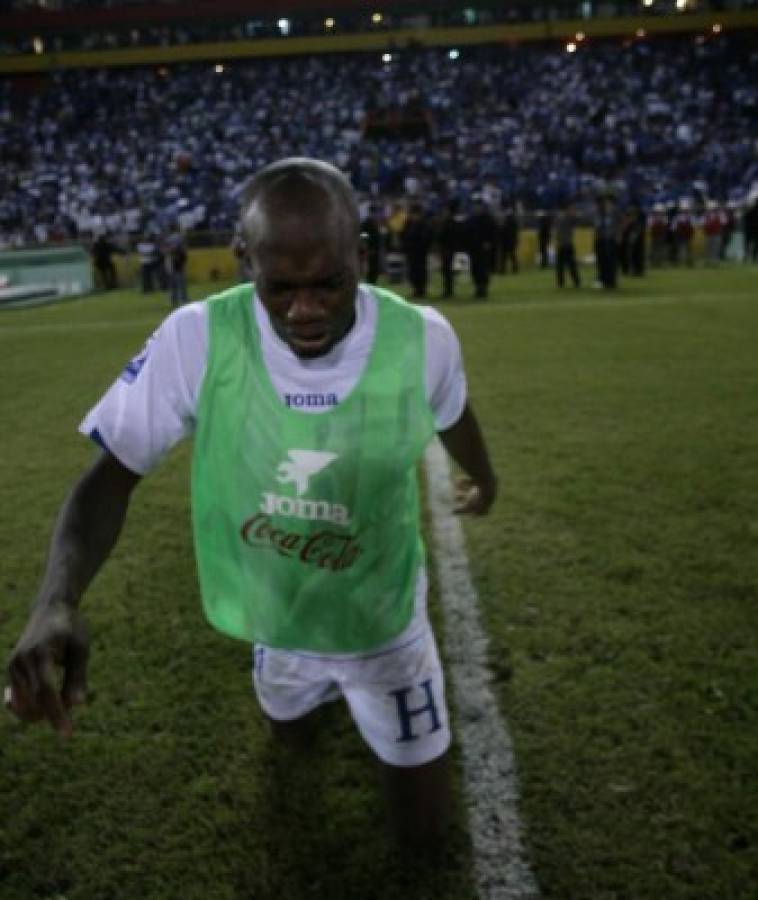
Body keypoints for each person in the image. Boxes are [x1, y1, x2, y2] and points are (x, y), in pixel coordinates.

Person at [4, 158, 497, 849]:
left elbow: (453, 415)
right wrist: (54, 600)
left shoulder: (423, 338)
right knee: (292, 747)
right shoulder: (197, 339)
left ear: (363, 255)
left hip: (383, 622)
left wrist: (486, 477)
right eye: (280, 287)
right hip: (279, 615)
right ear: (244, 260)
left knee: (424, 835)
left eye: (329, 283)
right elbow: (110, 474)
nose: (305, 310)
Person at [554, 203, 580, 289]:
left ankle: (573, 281)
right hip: (564, 244)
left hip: (566, 244)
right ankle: (567, 282)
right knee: (563, 265)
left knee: (569, 265)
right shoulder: (565, 218)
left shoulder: (562, 218)